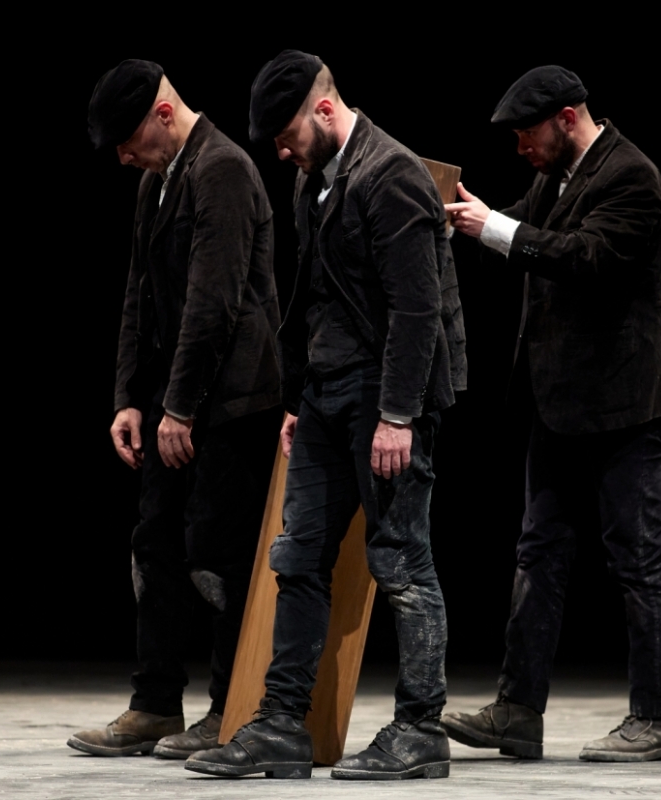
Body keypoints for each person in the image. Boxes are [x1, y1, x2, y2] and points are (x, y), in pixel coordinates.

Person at [184, 50, 466, 781]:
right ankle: (282, 725)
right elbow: (311, 293)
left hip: (384, 396)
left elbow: (416, 310)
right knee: (297, 556)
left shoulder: (391, 174)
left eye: (287, 135)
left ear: (324, 108)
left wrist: (398, 415)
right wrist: (295, 397)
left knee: (401, 560)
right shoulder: (313, 178)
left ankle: (420, 728)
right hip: (324, 395)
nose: (282, 152)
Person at [441, 65, 661, 763]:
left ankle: (658, 720)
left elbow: (587, 257)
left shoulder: (631, 175)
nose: (522, 147)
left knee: (636, 558)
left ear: (568, 117)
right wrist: (474, 221)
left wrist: (495, 228)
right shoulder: (558, 176)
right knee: (538, 554)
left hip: (624, 404)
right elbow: (525, 230)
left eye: (528, 133)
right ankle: (518, 711)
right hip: (560, 403)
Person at [67, 60, 283, 760]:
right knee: (154, 545)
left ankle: (230, 711)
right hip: (174, 401)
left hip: (233, 402)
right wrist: (130, 398)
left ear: (164, 114)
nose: (123, 158)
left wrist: (181, 408)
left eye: (128, 141)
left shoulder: (223, 170)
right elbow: (139, 293)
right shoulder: (156, 180)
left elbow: (214, 305)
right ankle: (155, 703)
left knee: (218, 555)